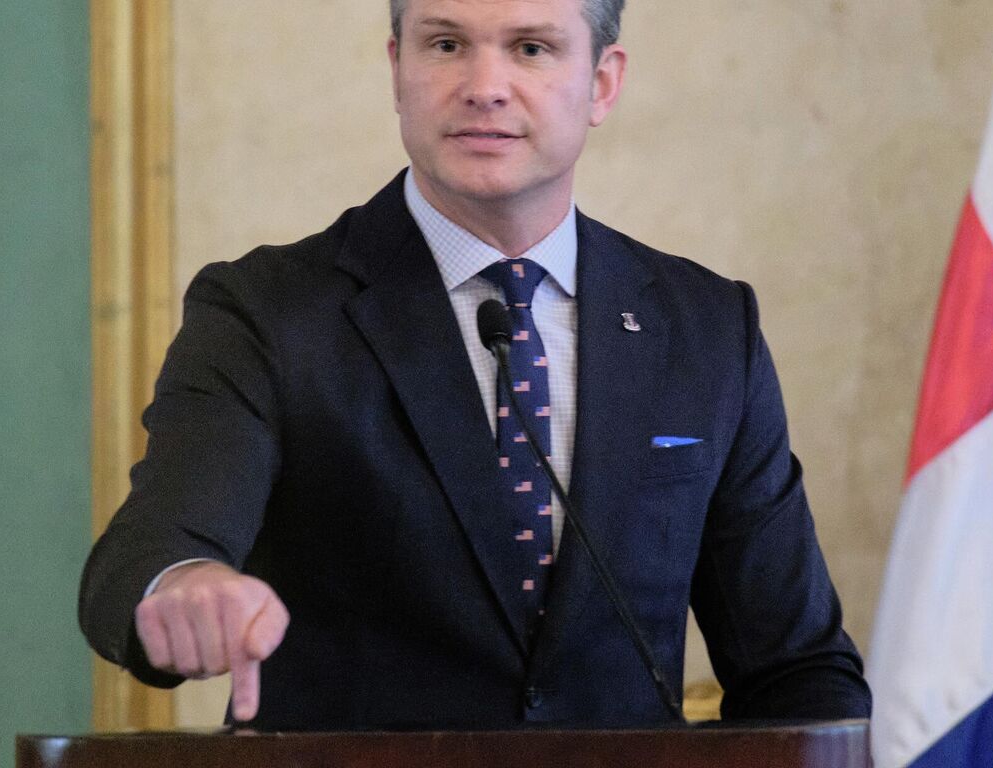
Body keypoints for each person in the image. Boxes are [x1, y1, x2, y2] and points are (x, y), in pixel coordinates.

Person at [78, 0, 871, 730]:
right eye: (447, 44)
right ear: (397, 69)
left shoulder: (705, 327)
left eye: (530, 48)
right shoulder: (266, 311)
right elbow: (141, 556)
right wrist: (180, 586)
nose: (484, 86)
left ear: (601, 83)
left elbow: (798, 669)